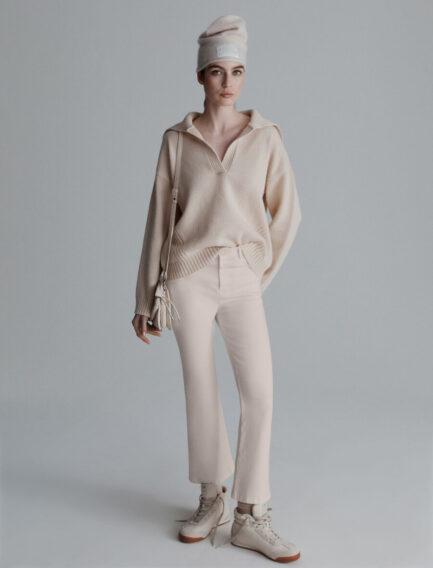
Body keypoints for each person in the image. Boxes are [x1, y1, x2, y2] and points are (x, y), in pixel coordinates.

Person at [132, 14, 302, 563]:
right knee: (200, 388)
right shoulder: (177, 141)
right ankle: (211, 498)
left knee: (260, 393)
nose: (228, 83)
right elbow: (159, 220)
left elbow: (288, 215)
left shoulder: (266, 138)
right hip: (188, 278)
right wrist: (144, 297)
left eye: (237, 71)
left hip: (240, 276)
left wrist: (258, 272)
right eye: (216, 72)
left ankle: (251, 514)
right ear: (200, 76)